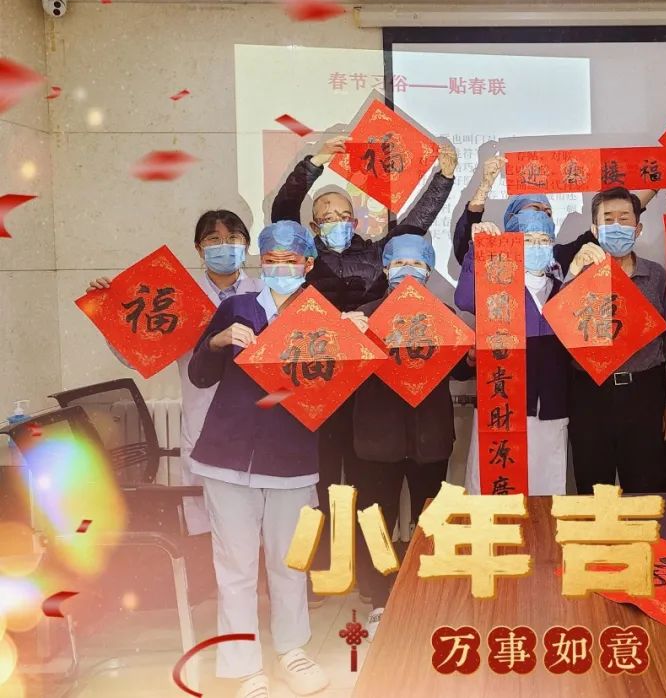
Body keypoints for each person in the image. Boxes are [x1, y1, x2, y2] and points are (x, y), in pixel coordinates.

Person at [187, 221, 367, 698]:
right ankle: (244, 666)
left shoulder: (323, 317)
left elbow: (337, 391)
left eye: (290, 261)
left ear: (308, 265)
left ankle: (291, 650)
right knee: (236, 566)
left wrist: (356, 340)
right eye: (271, 261)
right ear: (260, 262)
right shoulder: (237, 308)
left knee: (290, 562)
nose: (280, 269)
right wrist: (216, 342)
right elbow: (200, 375)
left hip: (292, 457)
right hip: (227, 456)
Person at [270, 133, 458, 563]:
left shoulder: (377, 256)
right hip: (318, 384)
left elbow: (414, 227)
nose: (336, 221)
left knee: (364, 489)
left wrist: (443, 179)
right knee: (318, 482)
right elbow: (283, 212)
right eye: (326, 216)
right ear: (313, 226)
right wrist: (315, 162)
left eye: (343, 215)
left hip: (369, 389)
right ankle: (322, 566)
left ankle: (363, 568)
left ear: (355, 221)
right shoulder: (304, 259)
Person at [85, 210, 263, 542]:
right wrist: (111, 308)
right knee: (208, 518)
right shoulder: (178, 298)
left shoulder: (265, 291)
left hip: (257, 420)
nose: (224, 246)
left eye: (233, 238)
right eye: (213, 239)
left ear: (246, 245)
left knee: (258, 517)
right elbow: (133, 354)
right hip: (203, 416)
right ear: (199, 248)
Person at [351, 234, 473, 607]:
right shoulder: (364, 316)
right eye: (400, 263)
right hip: (377, 438)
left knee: (430, 517)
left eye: (417, 263)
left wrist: (468, 356)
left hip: (430, 437)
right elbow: (346, 377)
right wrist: (348, 337)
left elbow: (458, 372)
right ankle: (377, 597)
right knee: (376, 518)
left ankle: (428, 593)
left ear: (429, 269)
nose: (408, 270)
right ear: (385, 267)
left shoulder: (444, 314)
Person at [564, 187, 666, 494]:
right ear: (595, 230)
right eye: (608, 219)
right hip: (590, 394)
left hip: (644, 392)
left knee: (645, 489)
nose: (616, 226)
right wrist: (573, 278)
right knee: (592, 487)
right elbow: (559, 328)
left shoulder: (656, 276)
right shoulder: (580, 274)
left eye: (624, 219)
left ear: (638, 228)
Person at [455, 207, 572, 495]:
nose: (537, 246)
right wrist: (476, 251)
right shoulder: (498, 286)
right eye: (528, 239)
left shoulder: (563, 289)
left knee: (545, 485)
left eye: (543, 239)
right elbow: (465, 299)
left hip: (550, 405)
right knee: (495, 484)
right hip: (503, 402)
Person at [452, 153, 659, 274]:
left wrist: (658, 180)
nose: (543, 215)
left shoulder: (558, 257)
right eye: (535, 209)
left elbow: (615, 219)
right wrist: (485, 184)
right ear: (513, 217)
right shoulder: (494, 257)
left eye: (548, 213)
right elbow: (464, 246)